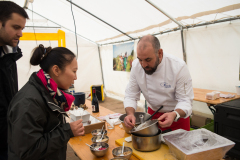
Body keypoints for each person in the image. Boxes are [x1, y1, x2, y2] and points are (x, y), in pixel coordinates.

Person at [7, 45, 85, 160]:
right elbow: (28, 151)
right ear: (56, 70)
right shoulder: (29, 102)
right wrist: (67, 131)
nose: (76, 77)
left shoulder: (50, 94)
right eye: (74, 71)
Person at [124, 35, 194, 132]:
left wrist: (174, 114)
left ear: (160, 53)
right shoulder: (136, 66)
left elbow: (185, 100)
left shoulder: (178, 67)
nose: (143, 65)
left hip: (177, 118)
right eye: (140, 59)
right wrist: (130, 114)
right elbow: (131, 95)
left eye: (148, 60)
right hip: (152, 116)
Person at [0, 2, 29, 159]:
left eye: (22, 28)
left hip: (9, 140)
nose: (20, 34)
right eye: (16, 27)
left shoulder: (9, 56)